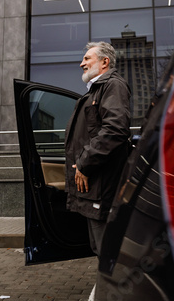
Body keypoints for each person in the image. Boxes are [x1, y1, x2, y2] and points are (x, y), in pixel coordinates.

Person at [64, 41, 131, 256]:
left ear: (105, 62)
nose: (81, 63)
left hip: (102, 184)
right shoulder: (95, 90)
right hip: (93, 185)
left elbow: (115, 130)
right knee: (99, 247)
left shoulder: (113, 86)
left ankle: (114, 289)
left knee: (107, 250)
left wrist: (84, 164)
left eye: (87, 58)